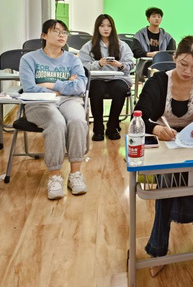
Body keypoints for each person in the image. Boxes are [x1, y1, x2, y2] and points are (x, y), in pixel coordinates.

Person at [134, 36, 193, 277]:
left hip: (191, 145)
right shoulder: (159, 82)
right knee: (171, 174)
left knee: (171, 181)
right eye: (183, 64)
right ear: (174, 58)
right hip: (162, 144)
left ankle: (158, 250)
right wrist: (156, 129)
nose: (188, 71)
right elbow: (139, 116)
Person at [19, 19, 88, 200]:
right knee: (56, 122)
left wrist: (50, 84)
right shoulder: (29, 59)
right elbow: (29, 88)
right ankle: (55, 177)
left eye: (64, 32)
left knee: (77, 120)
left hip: (68, 100)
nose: (61, 35)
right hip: (39, 102)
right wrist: (65, 85)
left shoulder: (73, 59)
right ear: (44, 35)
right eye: (56, 31)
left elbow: (80, 86)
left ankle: (75, 174)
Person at [79, 14, 134, 141]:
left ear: (112, 28)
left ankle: (112, 126)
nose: (106, 29)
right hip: (97, 79)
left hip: (118, 78)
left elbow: (131, 65)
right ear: (97, 28)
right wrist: (98, 64)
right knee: (96, 89)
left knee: (119, 89)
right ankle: (98, 128)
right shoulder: (89, 46)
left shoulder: (122, 45)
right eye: (102, 26)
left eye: (109, 26)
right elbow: (82, 66)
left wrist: (119, 65)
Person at [132, 7, 177, 81]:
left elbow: (172, 53)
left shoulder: (167, 36)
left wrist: (159, 56)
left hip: (163, 64)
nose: (157, 19)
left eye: (159, 17)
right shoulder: (139, 34)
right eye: (154, 16)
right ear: (148, 19)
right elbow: (136, 52)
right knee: (156, 74)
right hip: (146, 64)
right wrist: (150, 54)